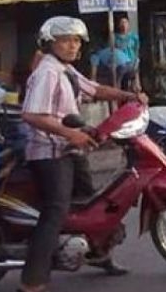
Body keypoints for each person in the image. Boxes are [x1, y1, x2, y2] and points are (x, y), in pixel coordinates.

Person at [19, 16, 148, 292]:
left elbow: (96, 89)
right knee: (55, 212)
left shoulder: (66, 69)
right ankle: (32, 282)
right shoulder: (48, 72)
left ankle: (99, 254)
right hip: (49, 153)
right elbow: (31, 115)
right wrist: (70, 134)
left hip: (70, 148)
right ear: (50, 43)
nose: (72, 46)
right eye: (65, 40)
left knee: (95, 204)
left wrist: (129, 97)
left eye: (76, 40)